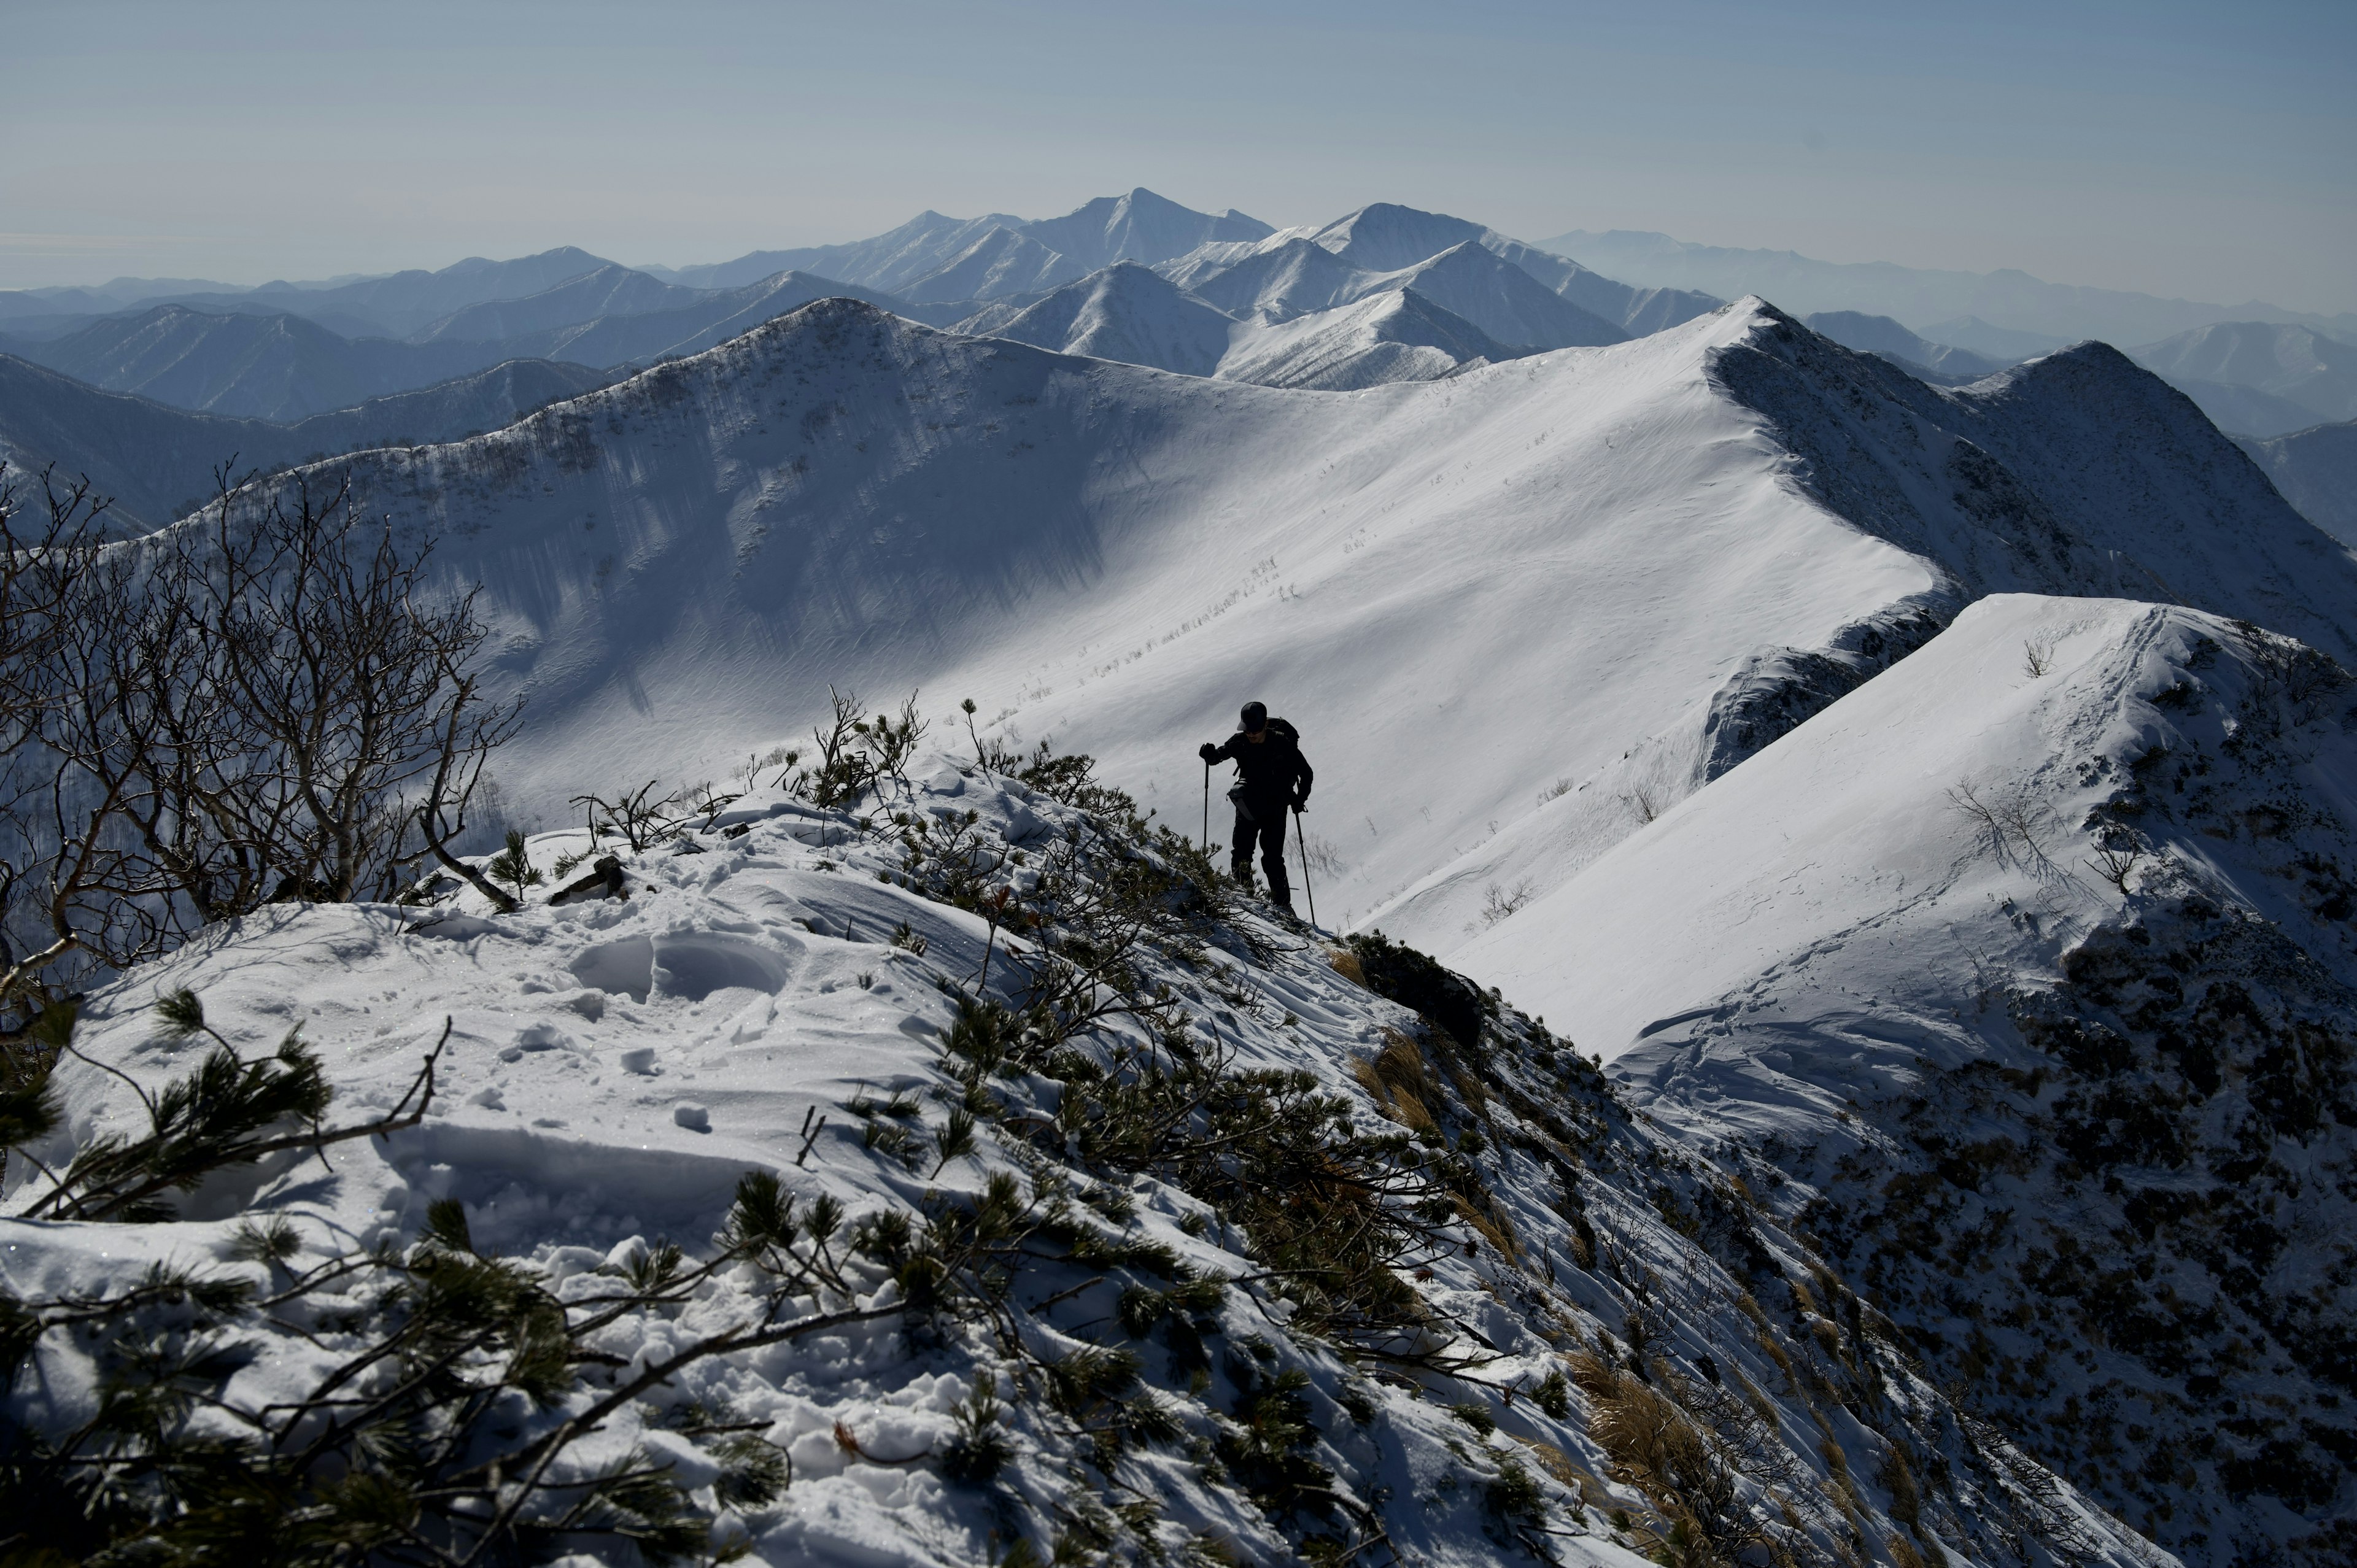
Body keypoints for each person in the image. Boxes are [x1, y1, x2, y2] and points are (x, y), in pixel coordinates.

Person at [1198, 700, 1312, 911]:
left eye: (1255, 730)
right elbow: (1218, 757)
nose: (1250, 734)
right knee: (1241, 854)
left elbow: (1306, 773)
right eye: (1247, 729)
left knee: (1272, 860)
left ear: (1265, 726)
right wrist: (1209, 754)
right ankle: (1247, 902)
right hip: (1248, 807)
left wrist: (1299, 799)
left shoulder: (1282, 743)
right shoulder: (1239, 742)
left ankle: (1283, 907)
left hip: (1275, 808)